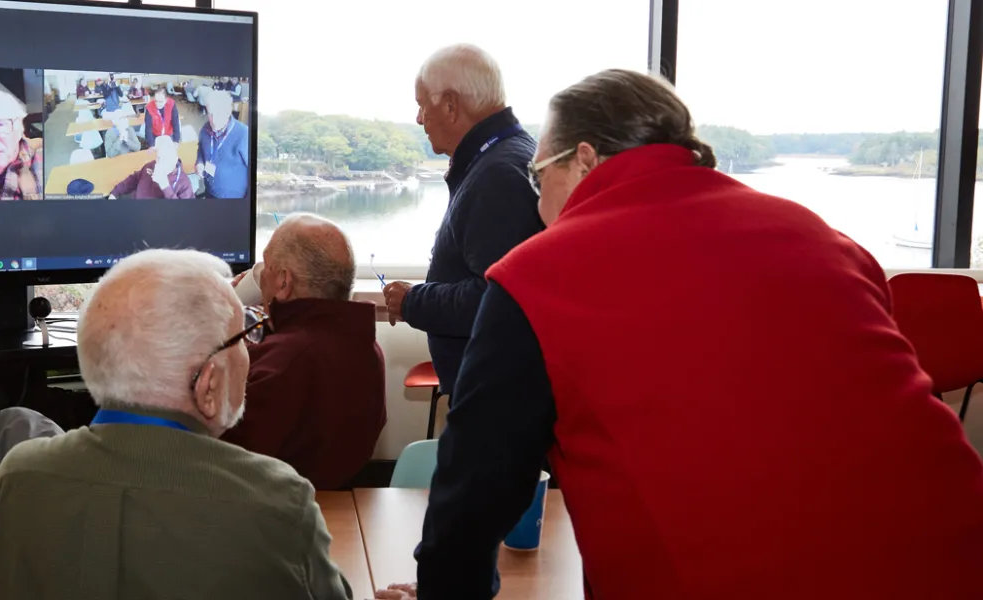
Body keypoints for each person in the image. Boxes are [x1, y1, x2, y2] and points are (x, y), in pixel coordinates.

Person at [378, 69, 983, 600]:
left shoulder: (539, 275)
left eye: (540, 182)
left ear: (583, 160)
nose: (537, 209)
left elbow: (475, 491)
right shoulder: (824, 237)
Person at [0, 249, 353, 600]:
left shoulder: (15, 480)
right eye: (244, 337)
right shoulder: (278, 503)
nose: (250, 352)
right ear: (207, 383)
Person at [381, 43, 543, 403]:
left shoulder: (498, 175)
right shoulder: (505, 156)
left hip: (498, 393)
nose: (420, 119)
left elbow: (498, 298)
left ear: (451, 105)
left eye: (423, 105)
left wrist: (413, 301)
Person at [222, 214, 386, 490]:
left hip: (270, 508)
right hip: (334, 496)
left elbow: (220, 455)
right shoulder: (366, 347)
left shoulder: (286, 362)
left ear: (284, 282)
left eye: (267, 269)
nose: (260, 277)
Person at [197, 90, 250, 198]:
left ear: (228, 112)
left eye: (219, 114)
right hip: (210, 192)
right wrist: (199, 162)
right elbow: (200, 149)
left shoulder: (244, 134)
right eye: (210, 114)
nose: (214, 120)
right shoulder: (205, 128)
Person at [108, 136, 193, 199]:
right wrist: (115, 192)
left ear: (175, 159)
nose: (159, 163)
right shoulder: (150, 165)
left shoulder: (184, 185)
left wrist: (165, 187)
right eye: (159, 157)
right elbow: (134, 179)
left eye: (166, 158)